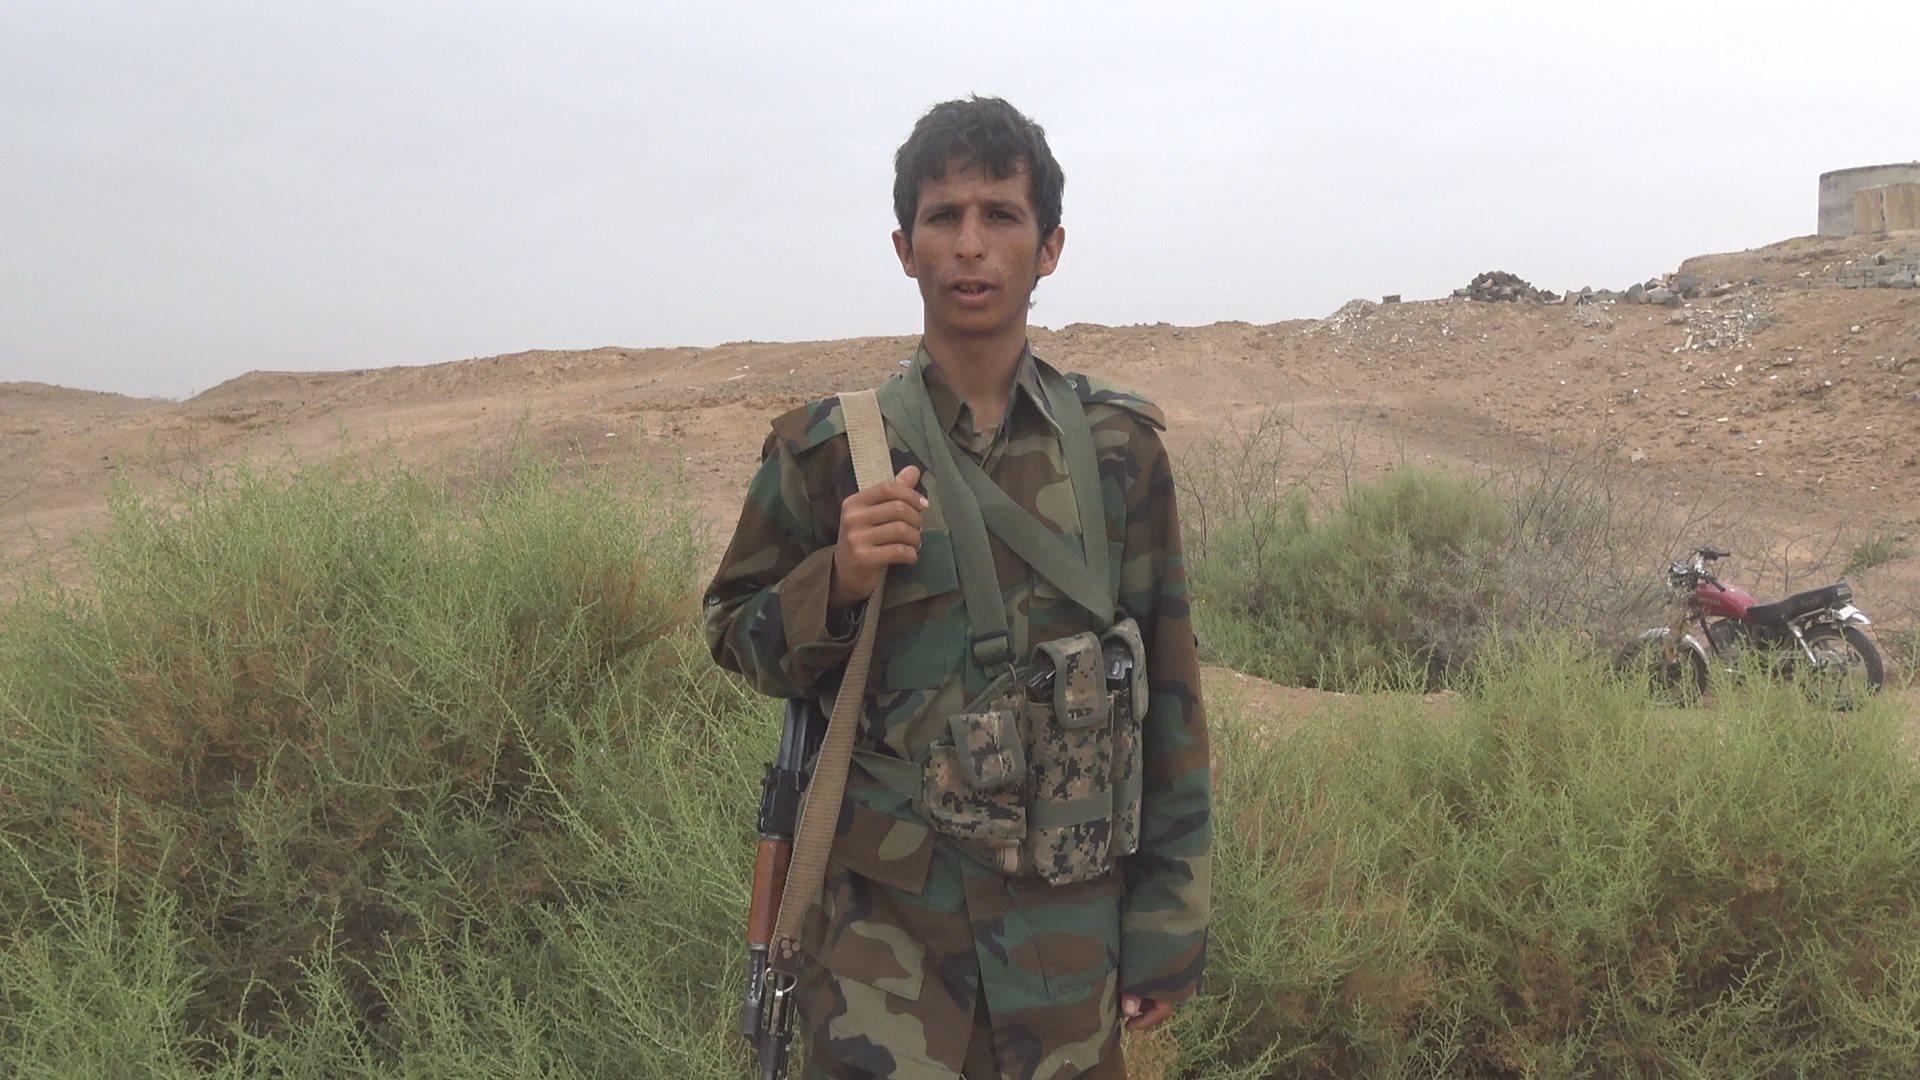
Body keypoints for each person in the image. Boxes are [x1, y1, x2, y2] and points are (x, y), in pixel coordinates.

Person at [704, 95, 1210, 1080]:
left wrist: (1167, 924)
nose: (970, 245)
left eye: (1000, 216)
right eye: (943, 217)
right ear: (905, 248)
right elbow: (733, 632)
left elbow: (1172, 698)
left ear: (1049, 247)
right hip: (883, 958)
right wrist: (837, 580)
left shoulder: (1117, 449)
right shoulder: (829, 450)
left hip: (1066, 949)